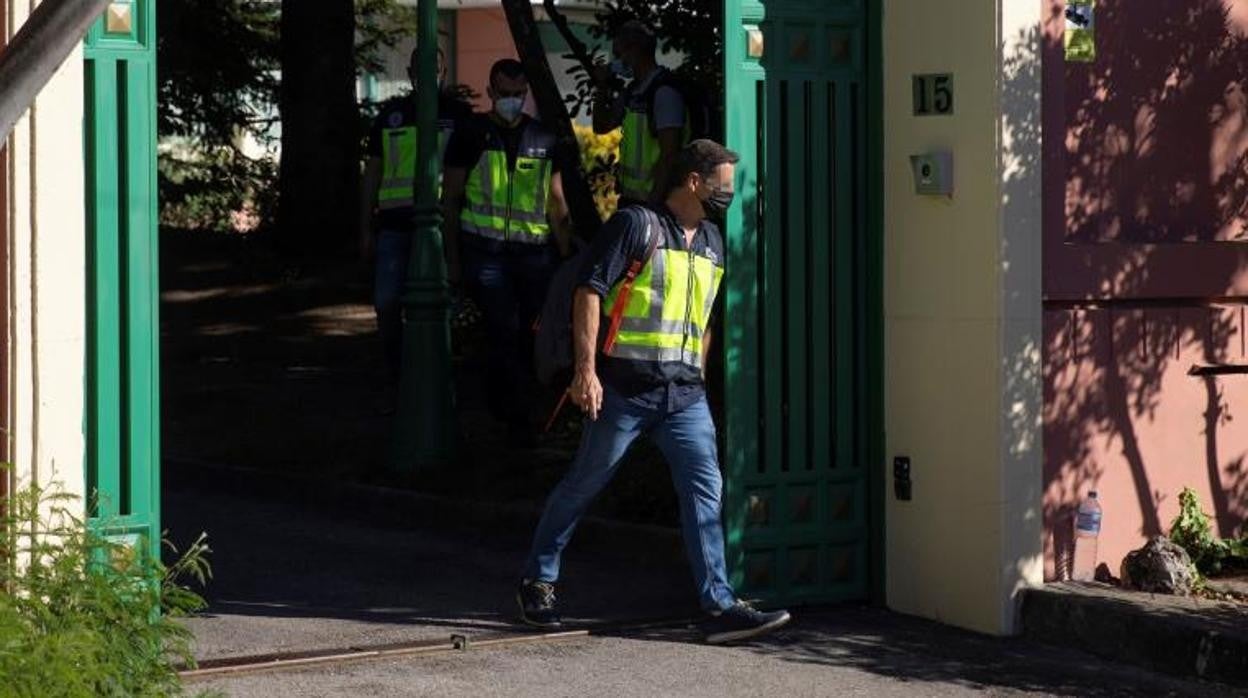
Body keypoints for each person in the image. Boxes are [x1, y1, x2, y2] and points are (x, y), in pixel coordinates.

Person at [516, 140, 792, 644]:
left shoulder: (712, 240)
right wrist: (585, 372)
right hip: (624, 390)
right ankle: (539, 580)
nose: (728, 194)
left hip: (684, 398)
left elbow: (705, 318)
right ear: (694, 181)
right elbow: (589, 291)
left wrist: (698, 375)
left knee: (706, 492)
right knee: (583, 485)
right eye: (723, 185)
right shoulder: (636, 225)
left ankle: (719, 605)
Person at [441, 59, 571, 446]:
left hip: (533, 254)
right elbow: (451, 198)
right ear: (490, 92)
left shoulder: (543, 139)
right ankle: (513, 416)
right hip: (486, 252)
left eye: (519, 94)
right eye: (505, 93)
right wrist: (453, 259)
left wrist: (566, 255)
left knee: (529, 333)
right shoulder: (470, 134)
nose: (512, 100)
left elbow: (556, 201)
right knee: (503, 329)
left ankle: (514, 407)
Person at [360, 46, 472, 386]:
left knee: (443, 308)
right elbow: (372, 174)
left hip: (442, 226)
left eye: (434, 69)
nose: (427, 75)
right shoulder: (391, 115)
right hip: (394, 225)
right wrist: (366, 228)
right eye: (420, 69)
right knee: (387, 302)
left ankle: (439, 379)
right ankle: (398, 376)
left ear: (444, 73)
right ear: (409, 74)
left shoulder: (458, 115)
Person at [593, 20, 688, 207]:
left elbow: (669, 155)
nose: (616, 61)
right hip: (631, 200)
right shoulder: (632, 91)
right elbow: (601, 126)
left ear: (635, 50)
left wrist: (653, 206)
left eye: (619, 54)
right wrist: (602, 86)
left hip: (654, 203)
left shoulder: (664, 93)